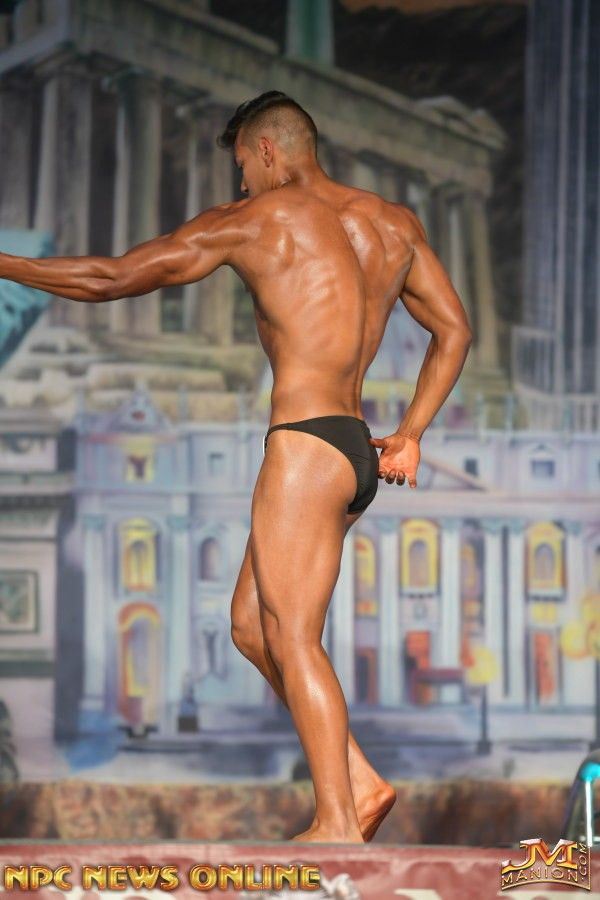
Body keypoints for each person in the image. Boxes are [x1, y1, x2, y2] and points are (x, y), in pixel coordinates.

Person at [0, 90, 473, 843]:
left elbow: (111, 278)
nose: (241, 184)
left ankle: (337, 822)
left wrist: (7, 263)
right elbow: (454, 330)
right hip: (353, 449)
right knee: (251, 628)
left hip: (306, 445)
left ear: (267, 151)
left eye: (243, 167)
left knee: (293, 636)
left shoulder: (258, 220)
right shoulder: (391, 224)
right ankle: (359, 781)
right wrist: (410, 433)